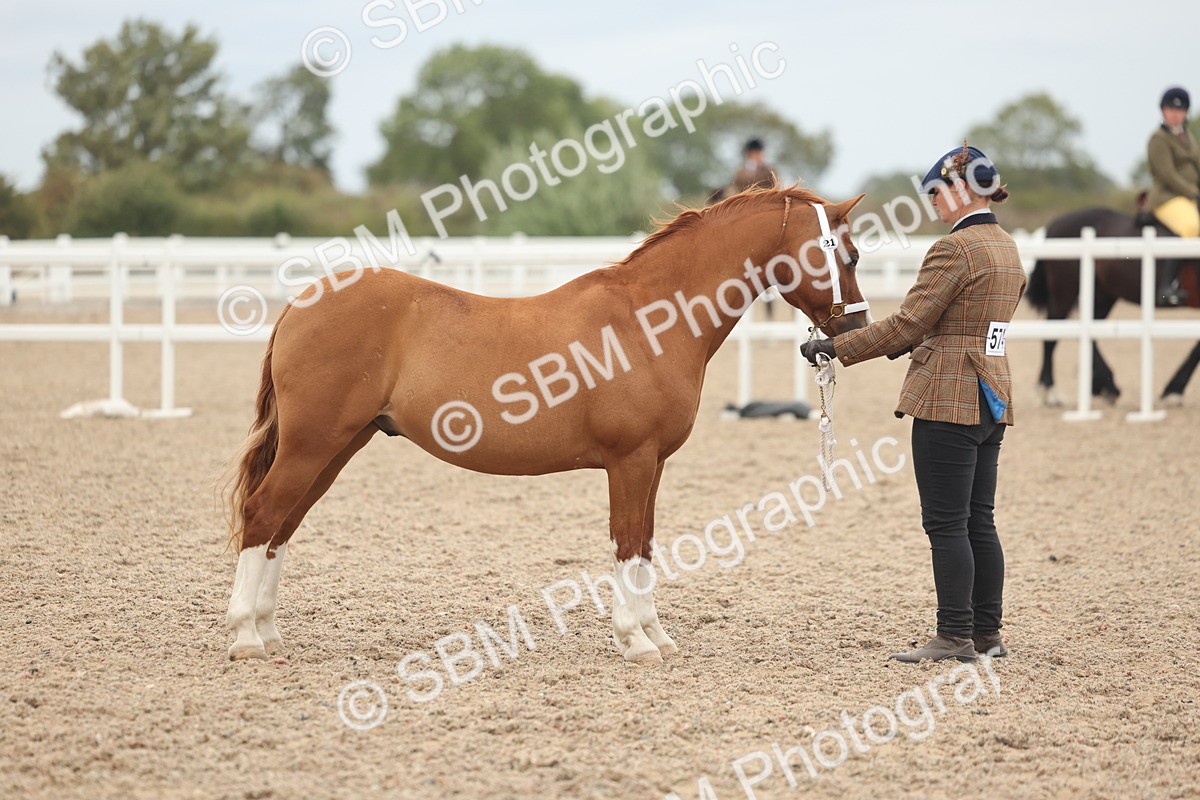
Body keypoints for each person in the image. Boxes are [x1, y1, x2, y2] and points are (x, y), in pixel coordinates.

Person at [800, 144, 1026, 663]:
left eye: (937, 193)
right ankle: (987, 634)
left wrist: (835, 347)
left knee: (945, 524)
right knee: (979, 520)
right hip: (992, 398)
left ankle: (953, 635)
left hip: (946, 400)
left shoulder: (955, 250)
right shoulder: (1007, 247)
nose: (932, 204)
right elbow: (948, 326)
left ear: (963, 188)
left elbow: (909, 324)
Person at [1147, 86, 1200, 307]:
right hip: (1167, 197)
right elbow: (1167, 174)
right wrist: (1194, 193)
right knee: (1189, 226)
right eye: (1171, 109)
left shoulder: (1188, 136)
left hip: (1189, 197)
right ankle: (1168, 285)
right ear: (1163, 111)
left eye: (1180, 109)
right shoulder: (1158, 139)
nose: (1175, 113)